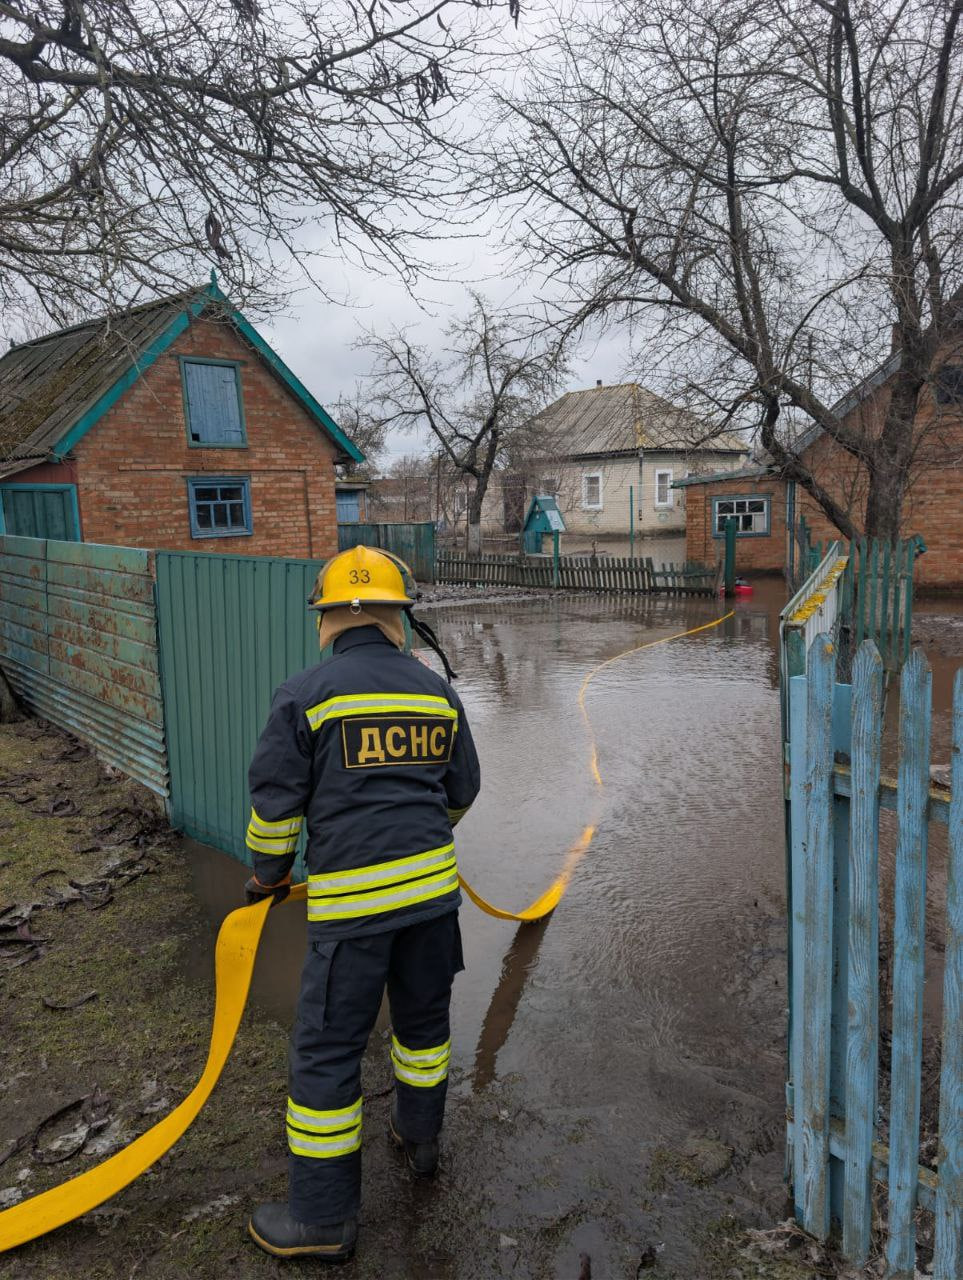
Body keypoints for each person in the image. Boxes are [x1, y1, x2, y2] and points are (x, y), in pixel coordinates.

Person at [243, 545, 480, 1262]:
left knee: (326, 1052)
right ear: (396, 619)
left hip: (351, 915)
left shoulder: (304, 694)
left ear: (326, 620)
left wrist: (267, 877)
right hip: (433, 903)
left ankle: (320, 1220)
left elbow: (276, 811)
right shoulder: (434, 692)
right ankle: (421, 1140)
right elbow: (461, 791)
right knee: (423, 1027)